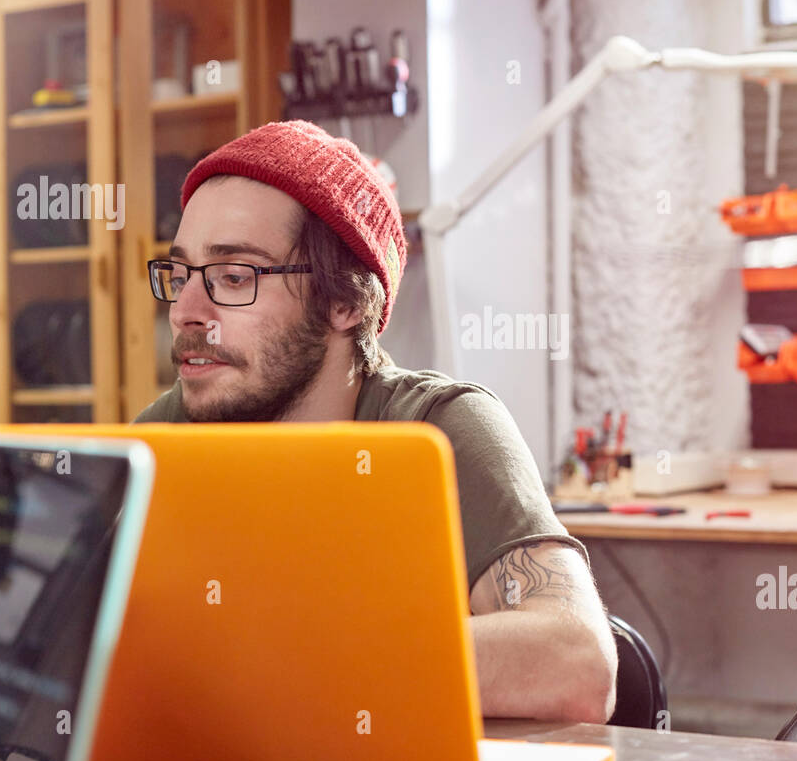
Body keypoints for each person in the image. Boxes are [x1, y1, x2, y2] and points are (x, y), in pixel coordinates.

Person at [134, 120, 617, 723]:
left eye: (235, 277)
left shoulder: (438, 430)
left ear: (347, 302)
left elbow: (576, 664)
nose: (187, 311)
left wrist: (294, 659)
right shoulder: (171, 431)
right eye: (180, 276)